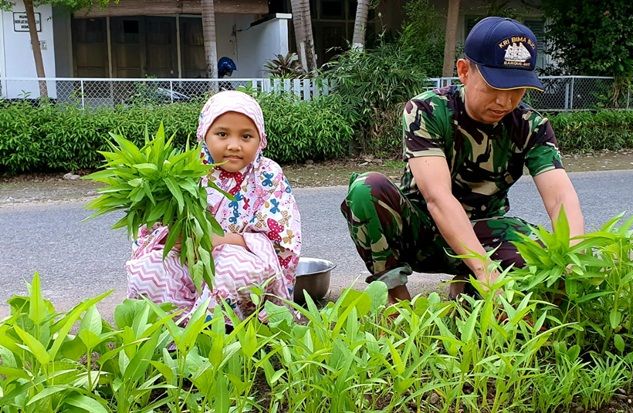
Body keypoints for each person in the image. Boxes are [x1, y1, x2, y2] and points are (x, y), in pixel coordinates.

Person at [341, 16, 584, 303]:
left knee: (542, 255)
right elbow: (437, 198)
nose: (505, 102)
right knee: (366, 189)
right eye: (495, 88)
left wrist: (572, 262)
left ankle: (466, 288)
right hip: (422, 232)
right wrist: (486, 271)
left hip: (484, 230)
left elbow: (560, 199)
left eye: (517, 90)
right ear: (464, 71)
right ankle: (396, 296)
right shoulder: (427, 111)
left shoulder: (531, 125)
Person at [126, 90, 302, 321]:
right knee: (149, 270)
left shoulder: (267, 175)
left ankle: (218, 330)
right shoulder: (183, 171)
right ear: (204, 135)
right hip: (186, 258)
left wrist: (218, 240)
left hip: (243, 256)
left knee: (232, 270)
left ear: (261, 140)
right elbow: (152, 226)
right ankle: (172, 332)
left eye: (246, 136)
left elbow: (282, 240)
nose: (234, 145)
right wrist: (174, 237)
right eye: (222, 134)